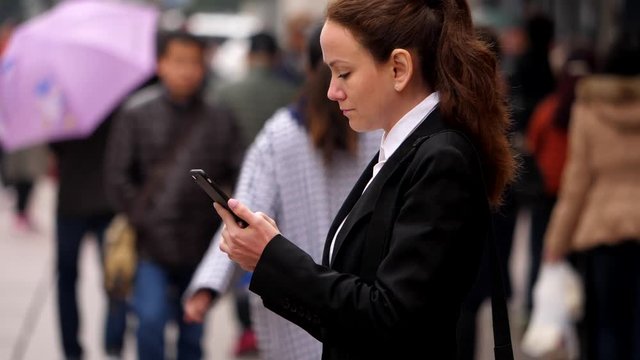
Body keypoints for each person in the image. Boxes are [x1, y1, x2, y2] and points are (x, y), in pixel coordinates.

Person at [213, 0, 516, 358]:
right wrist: (270, 259)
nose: (331, 91)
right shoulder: (405, 145)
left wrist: (273, 257)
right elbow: (358, 314)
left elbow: (391, 318)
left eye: (343, 73)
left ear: (399, 68)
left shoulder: (440, 157)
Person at [183, 26, 380, 360]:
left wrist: (207, 287)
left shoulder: (281, 135)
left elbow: (242, 214)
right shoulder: (378, 131)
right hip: (362, 298)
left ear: (305, 69)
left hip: (294, 300)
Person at [105, 31, 244, 360]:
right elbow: (117, 177)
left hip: (201, 242)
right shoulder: (135, 114)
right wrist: (145, 218)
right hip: (149, 244)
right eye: (178, 62)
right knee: (150, 323)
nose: (187, 70)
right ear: (161, 64)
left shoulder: (220, 117)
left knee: (192, 333)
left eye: (194, 63)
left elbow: (239, 171)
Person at [542, 32, 640, 360]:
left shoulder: (590, 110)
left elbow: (576, 185)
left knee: (607, 327)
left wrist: (556, 244)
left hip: (603, 232)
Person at [49, 116, 128, 359]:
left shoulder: (63, 110)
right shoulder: (119, 102)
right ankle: (112, 345)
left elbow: (55, 149)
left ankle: (72, 350)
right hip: (102, 201)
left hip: (77, 201)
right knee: (115, 277)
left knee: (70, 278)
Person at [213, 31, 298, 145]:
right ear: (276, 58)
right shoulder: (291, 93)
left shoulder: (224, 91)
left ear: (248, 56)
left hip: (236, 159)